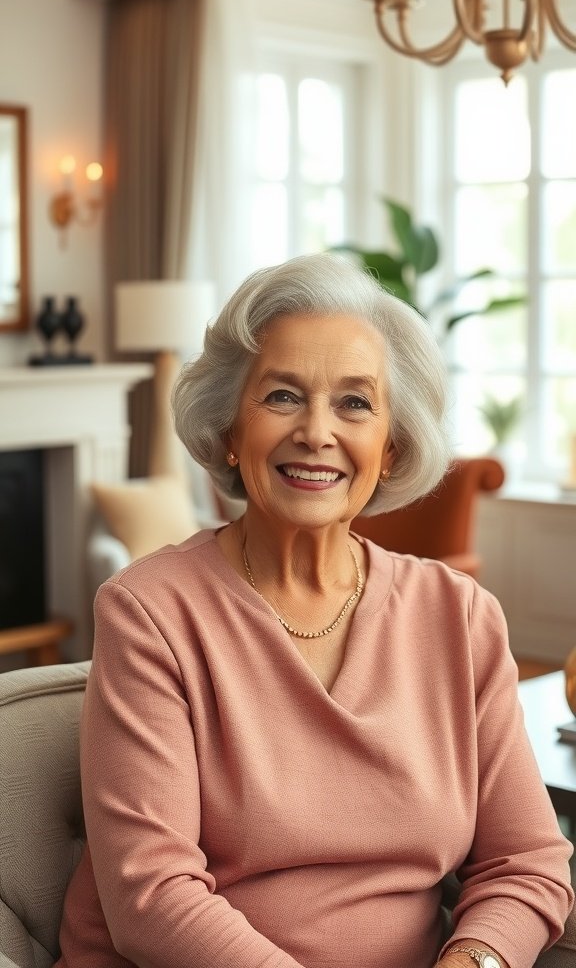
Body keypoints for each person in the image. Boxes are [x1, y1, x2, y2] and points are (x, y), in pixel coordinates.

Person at [56, 252, 573, 968]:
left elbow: (526, 861)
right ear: (230, 433)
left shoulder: (459, 617)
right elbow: (152, 895)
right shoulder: (150, 613)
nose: (317, 432)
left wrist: (474, 960)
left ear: (390, 448)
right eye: (282, 397)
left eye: (355, 402)